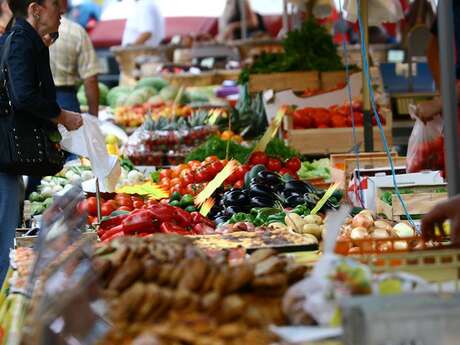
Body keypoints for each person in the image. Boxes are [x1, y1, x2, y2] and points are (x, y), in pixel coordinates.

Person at [0, 0, 82, 283]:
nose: (61, 12)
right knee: (3, 239)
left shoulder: (23, 38)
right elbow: (23, 96)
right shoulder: (21, 40)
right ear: (35, 9)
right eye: (55, 6)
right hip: (4, 155)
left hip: (7, 152)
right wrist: (61, 117)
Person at [49, 0, 100, 116]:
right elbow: (90, 78)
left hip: (35, 100)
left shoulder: (26, 32)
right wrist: (94, 117)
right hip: (66, 100)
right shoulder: (76, 31)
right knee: (71, 134)